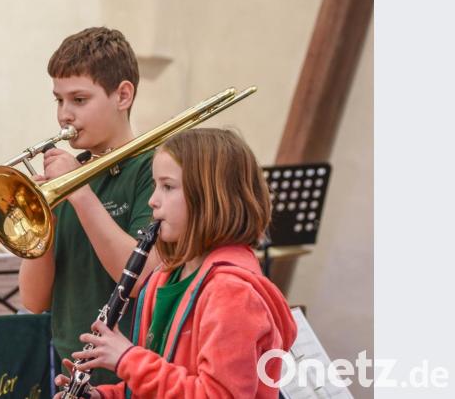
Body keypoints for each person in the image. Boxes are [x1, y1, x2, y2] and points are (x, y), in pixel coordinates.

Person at [55, 128, 298, 398]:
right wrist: (104, 395)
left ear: (210, 198)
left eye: (167, 187)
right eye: (156, 185)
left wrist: (127, 359)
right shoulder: (166, 277)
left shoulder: (233, 293)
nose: (152, 200)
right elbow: (156, 384)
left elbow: (217, 394)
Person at [18, 27, 160, 386]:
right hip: (72, 371)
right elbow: (34, 301)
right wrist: (40, 222)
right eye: (59, 100)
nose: (64, 114)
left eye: (79, 100)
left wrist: (80, 193)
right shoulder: (69, 178)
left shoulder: (154, 169)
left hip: (136, 370)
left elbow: (143, 278)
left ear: (122, 95)